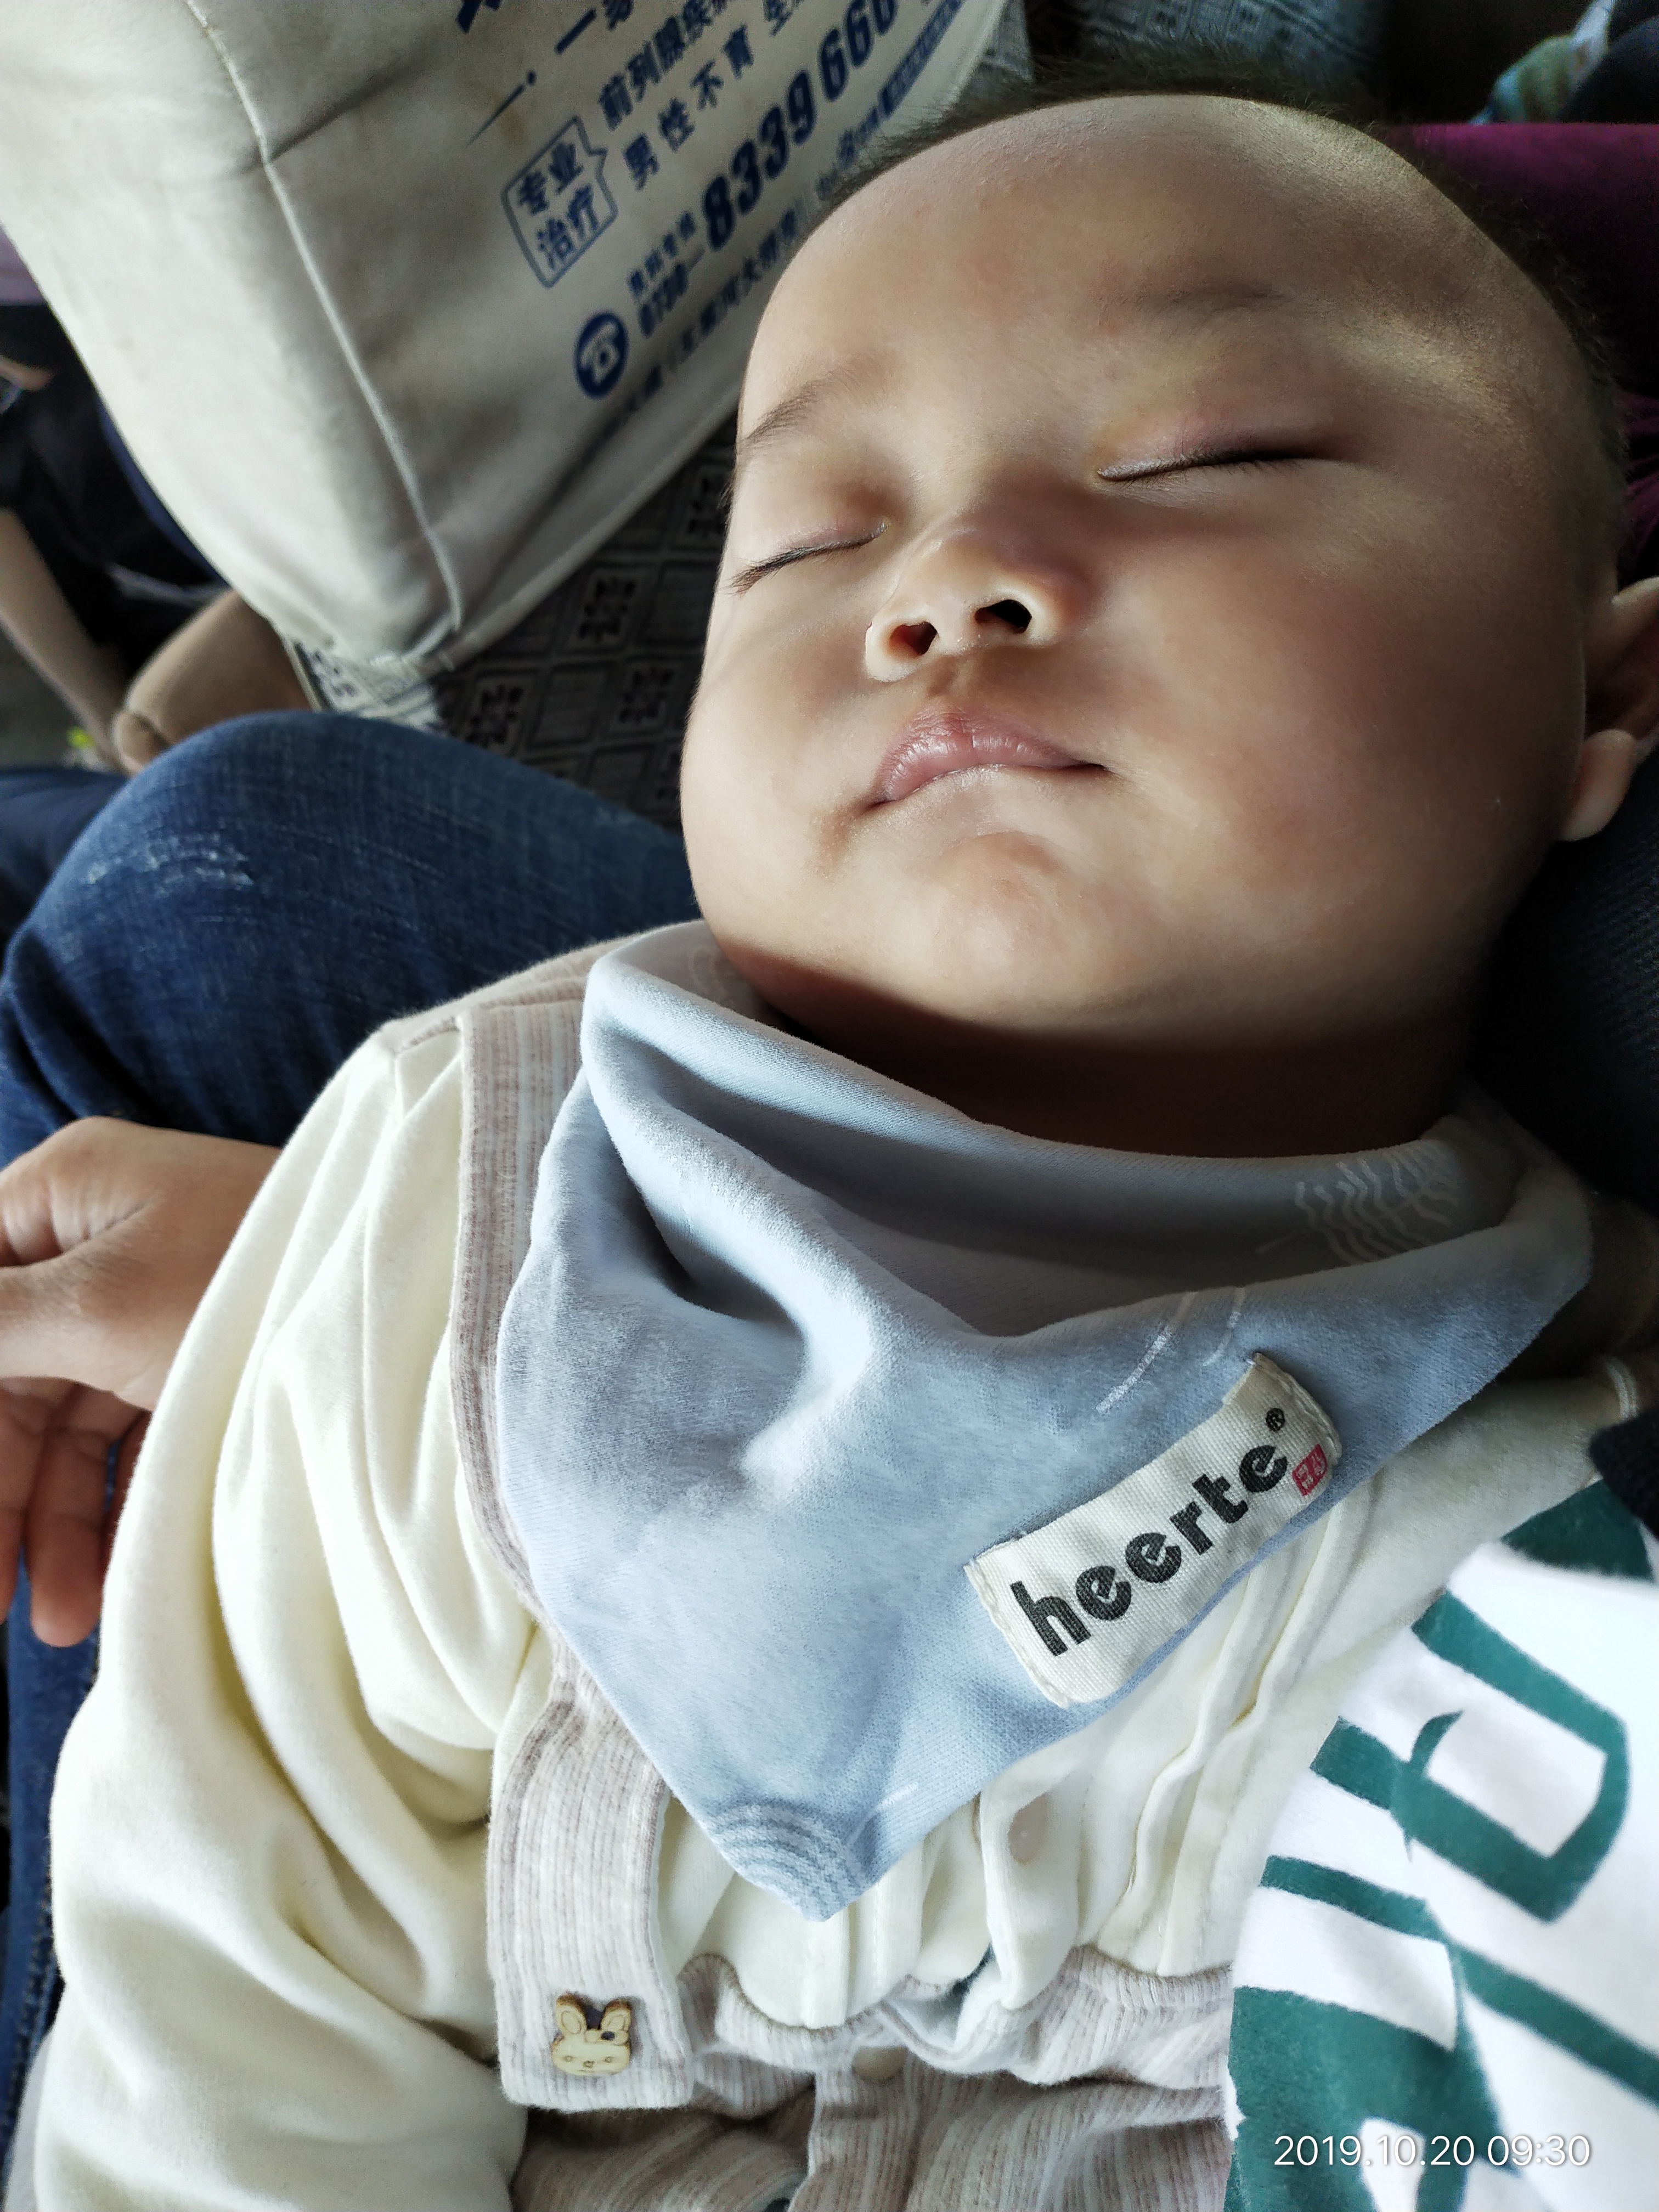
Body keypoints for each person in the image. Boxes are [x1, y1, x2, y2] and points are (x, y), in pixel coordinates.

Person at [4, 78, 1659, 2210]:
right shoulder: (439, 1259)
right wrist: (329, 1342)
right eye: (806, 540)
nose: (949, 581)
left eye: (1207, 456)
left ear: (1608, 694)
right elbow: (223, 2050)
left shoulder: (1567, 1542)